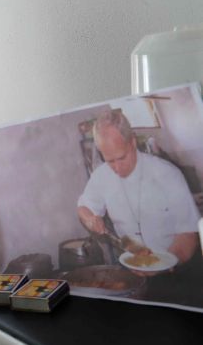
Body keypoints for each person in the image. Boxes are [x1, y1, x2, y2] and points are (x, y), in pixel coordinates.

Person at [77, 110, 200, 269]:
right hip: (133, 266)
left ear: (133, 142)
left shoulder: (168, 174)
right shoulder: (101, 176)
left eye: (122, 158)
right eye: (110, 161)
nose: (117, 168)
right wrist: (90, 219)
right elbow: (83, 207)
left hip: (177, 267)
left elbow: (189, 234)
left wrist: (162, 265)